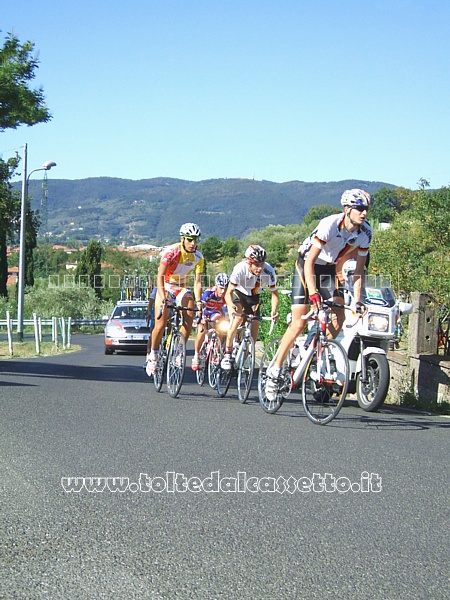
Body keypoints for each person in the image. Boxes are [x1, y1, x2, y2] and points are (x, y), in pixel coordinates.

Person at [265, 188, 373, 400]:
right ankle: (275, 370)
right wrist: (313, 293)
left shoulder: (365, 233)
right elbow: (309, 262)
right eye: (360, 208)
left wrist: (359, 300)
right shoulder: (330, 225)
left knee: (338, 316)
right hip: (307, 265)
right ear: (347, 209)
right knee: (298, 323)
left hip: (329, 270)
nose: (364, 213)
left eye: (366, 209)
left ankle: (313, 349)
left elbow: (358, 272)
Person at [145, 223, 204, 376]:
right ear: (182, 238)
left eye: (196, 240)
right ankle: (153, 354)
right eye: (190, 240)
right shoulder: (171, 252)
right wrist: (163, 296)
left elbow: (197, 282)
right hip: (166, 286)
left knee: (190, 310)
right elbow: (160, 276)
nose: (193, 243)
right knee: (161, 322)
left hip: (182, 287)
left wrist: (199, 302)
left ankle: (178, 351)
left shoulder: (198, 257)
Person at [220, 245, 279, 370]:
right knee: (237, 319)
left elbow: (274, 295)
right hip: (238, 294)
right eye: (256, 264)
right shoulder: (240, 269)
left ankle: (244, 361)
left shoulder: (269, 271)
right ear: (249, 262)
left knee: (255, 325)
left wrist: (274, 310)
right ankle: (227, 354)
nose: (259, 268)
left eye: (262, 264)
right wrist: (231, 306)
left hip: (254, 297)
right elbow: (228, 293)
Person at [191, 272, 230, 371]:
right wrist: (201, 317)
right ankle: (196, 356)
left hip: (216, 313)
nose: (223, 291)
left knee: (221, 328)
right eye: (221, 288)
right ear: (216, 286)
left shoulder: (228, 295)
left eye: (225, 288)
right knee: (202, 331)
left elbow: (229, 308)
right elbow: (201, 306)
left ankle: (216, 351)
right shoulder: (209, 293)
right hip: (205, 311)